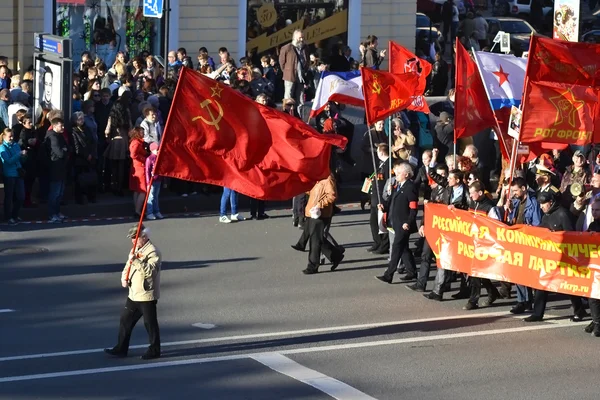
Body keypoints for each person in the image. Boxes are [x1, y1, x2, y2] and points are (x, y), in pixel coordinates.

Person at [523, 191, 587, 322]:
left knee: (569, 285)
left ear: (550, 202)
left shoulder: (563, 214)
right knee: (542, 283)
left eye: (543, 204)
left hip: (564, 256)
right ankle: (538, 313)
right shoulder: (547, 215)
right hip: (550, 256)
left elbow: (571, 236)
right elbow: (542, 230)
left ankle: (579, 311)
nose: (541, 207)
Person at [105, 224, 162, 360]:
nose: (132, 241)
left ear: (144, 236)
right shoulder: (136, 248)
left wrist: (135, 260)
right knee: (125, 320)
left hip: (146, 294)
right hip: (134, 293)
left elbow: (150, 272)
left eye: (135, 238)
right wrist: (124, 277)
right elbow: (128, 265)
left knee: (150, 323)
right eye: (131, 238)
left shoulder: (153, 252)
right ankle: (121, 348)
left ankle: (154, 350)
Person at [376, 161, 418, 284]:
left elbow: (413, 208)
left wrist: (409, 222)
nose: (396, 175)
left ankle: (388, 274)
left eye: (399, 173)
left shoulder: (410, 187)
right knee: (404, 249)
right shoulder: (397, 186)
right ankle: (412, 272)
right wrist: (383, 207)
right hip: (395, 221)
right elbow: (391, 202)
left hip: (403, 224)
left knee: (396, 248)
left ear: (406, 174)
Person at [507, 177, 542, 314]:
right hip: (517, 240)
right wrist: (509, 210)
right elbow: (513, 220)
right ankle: (522, 300)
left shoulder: (533, 203)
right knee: (517, 272)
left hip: (527, 241)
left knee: (525, 273)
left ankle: (527, 300)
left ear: (523, 188)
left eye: (516, 190)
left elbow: (537, 224)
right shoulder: (516, 202)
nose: (514, 193)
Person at [302, 173, 344, 274]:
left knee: (315, 240)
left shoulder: (328, 178)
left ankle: (312, 265)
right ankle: (336, 256)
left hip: (321, 213)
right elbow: (311, 192)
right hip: (312, 211)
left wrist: (319, 205)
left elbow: (332, 195)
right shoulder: (316, 176)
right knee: (317, 238)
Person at [366, 143, 391, 254]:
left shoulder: (389, 165)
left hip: (382, 197)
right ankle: (377, 242)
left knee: (383, 223)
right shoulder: (381, 164)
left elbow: (388, 181)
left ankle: (384, 245)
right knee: (373, 222)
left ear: (381, 152)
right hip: (375, 197)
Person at [279, 30, 309, 117]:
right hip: (290, 76)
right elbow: (282, 62)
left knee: (300, 99)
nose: (302, 39)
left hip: (301, 77)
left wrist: (305, 70)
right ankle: (287, 116)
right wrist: (287, 71)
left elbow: (307, 61)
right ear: (295, 37)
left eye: (303, 37)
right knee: (288, 97)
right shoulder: (287, 48)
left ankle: (299, 118)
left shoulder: (306, 48)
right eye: (300, 37)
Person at [44, 117, 68, 223]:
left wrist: (65, 150)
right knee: (54, 193)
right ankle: (51, 214)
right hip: (55, 167)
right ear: (54, 126)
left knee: (60, 193)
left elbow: (68, 147)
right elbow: (60, 153)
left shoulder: (60, 136)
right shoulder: (53, 137)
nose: (63, 127)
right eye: (60, 125)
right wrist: (64, 150)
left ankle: (57, 212)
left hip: (61, 167)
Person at [0, 128, 25, 224]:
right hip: (9, 174)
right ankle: (8, 216)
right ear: (4, 137)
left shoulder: (16, 145)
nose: (11, 138)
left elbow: (21, 160)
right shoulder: (2, 148)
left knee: (21, 196)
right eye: (9, 136)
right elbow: (8, 161)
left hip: (18, 173)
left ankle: (15, 214)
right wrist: (19, 154)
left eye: (12, 136)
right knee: (9, 196)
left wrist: (24, 156)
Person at [585, 198, 600, 336]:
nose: (594, 212)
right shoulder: (593, 225)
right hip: (594, 266)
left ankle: (597, 323)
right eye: (593, 210)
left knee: (595, 296)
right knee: (593, 295)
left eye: (597, 210)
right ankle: (596, 320)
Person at [128, 127, 148, 218]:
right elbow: (133, 155)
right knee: (143, 191)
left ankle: (137, 210)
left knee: (137, 190)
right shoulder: (137, 143)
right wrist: (144, 159)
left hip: (135, 168)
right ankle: (138, 211)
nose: (143, 133)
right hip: (140, 167)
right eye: (141, 132)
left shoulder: (134, 142)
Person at [145, 142, 163, 220]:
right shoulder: (149, 159)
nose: (158, 151)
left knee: (156, 196)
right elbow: (147, 171)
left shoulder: (159, 158)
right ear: (152, 150)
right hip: (152, 181)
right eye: (157, 150)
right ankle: (149, 212)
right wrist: (148, 182)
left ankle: (156, 211)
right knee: (151, 197)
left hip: (158, 179)